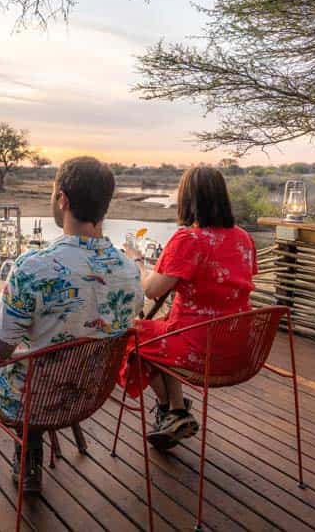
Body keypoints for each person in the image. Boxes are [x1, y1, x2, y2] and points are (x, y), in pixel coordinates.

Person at [0, 156, 142, 493]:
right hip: (89, 396)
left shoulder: (34, 267)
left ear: (63, 199)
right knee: (36, 348)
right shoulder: (130, 270)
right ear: (106, 204)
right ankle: (25, 453)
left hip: (31, 400)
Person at [121, 166, 257, 450]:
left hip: (198, 350)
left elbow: (151, 289)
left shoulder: (188, 240)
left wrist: (136, 261)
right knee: (161, 331)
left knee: (131, 335)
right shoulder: (243, 238)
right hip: (239, 349)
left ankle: (169, 410)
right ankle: (176, 410)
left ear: (187, 199)